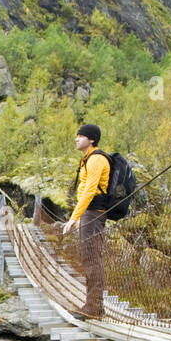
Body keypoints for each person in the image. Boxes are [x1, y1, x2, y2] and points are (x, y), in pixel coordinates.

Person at [61, 123, 110, 318]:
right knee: (88, 257)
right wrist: (80, 216)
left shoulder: (96, 159)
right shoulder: (89, 159)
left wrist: (74, 218)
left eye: (81, 136)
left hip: (94, 212)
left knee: (92, 258)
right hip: (89, 213)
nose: (76, 138)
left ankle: (94, 308)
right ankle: (92, 305)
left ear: (91, 139)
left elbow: (90, 189)